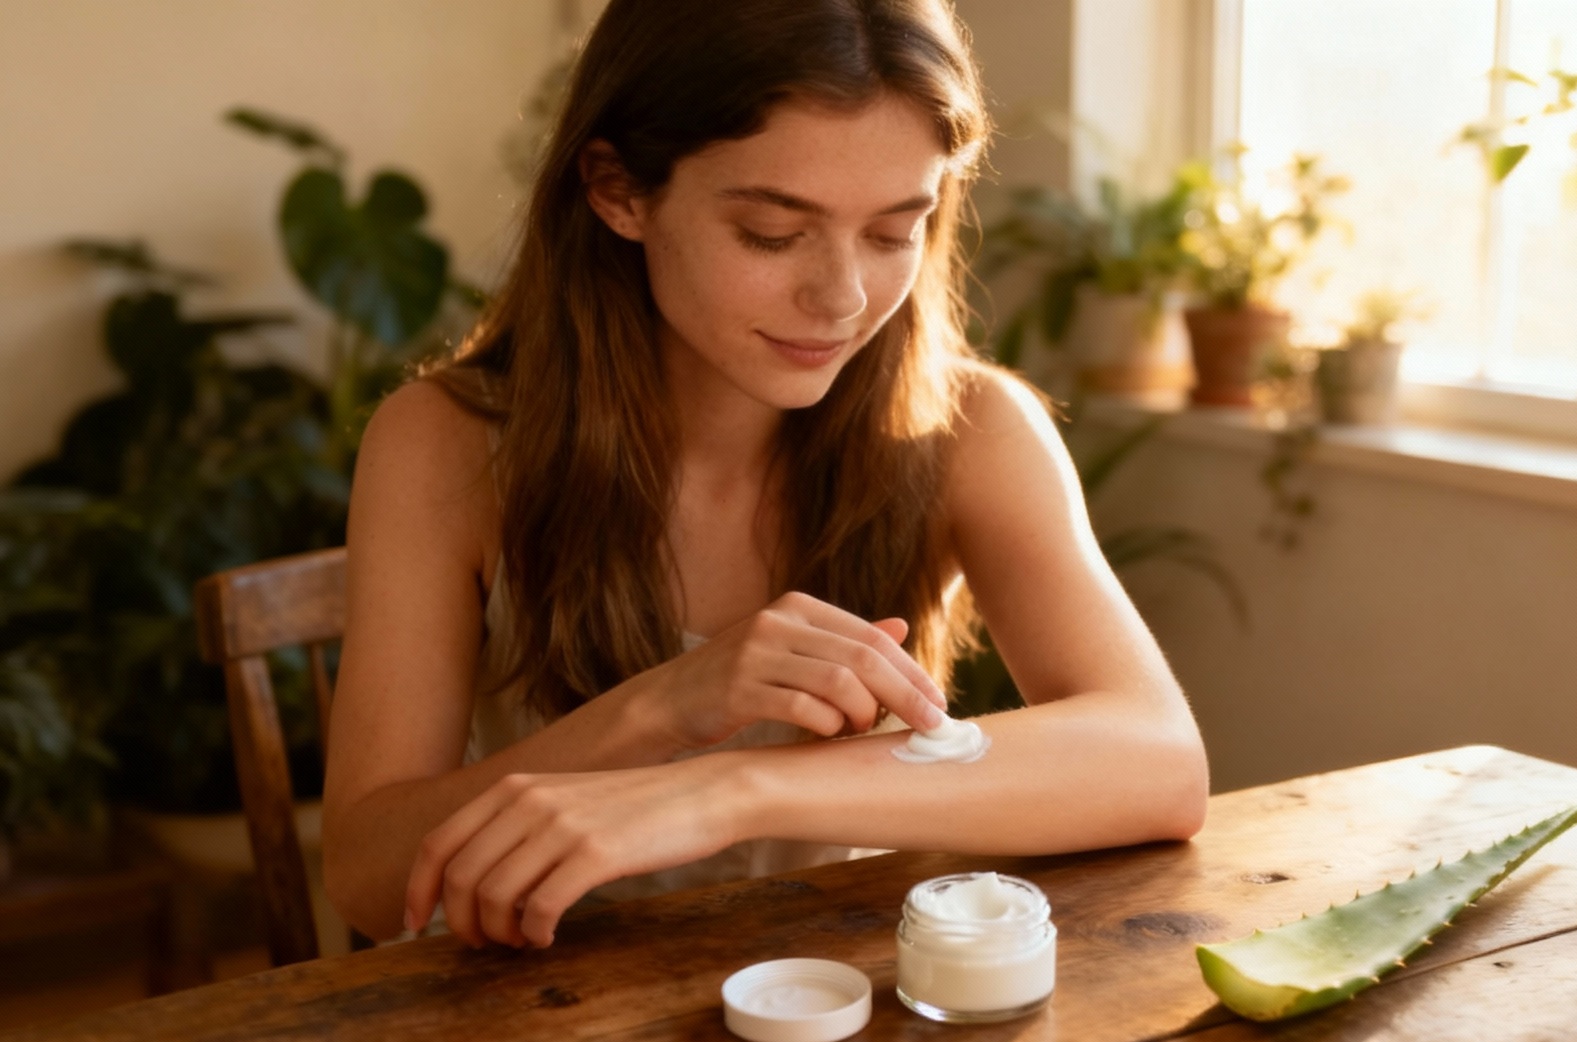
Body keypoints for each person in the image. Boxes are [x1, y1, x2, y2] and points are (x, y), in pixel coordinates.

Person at [322, 0, 1208, 950]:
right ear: (618, 189)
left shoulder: (970, 427)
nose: (842, 298)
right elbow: (374, 882)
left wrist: (727, 789)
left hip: (840, 1010)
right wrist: (665, 707)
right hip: (537, 1019)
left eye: (891, 232)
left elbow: (1157, 761)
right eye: (772, 235)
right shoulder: (446, 445)